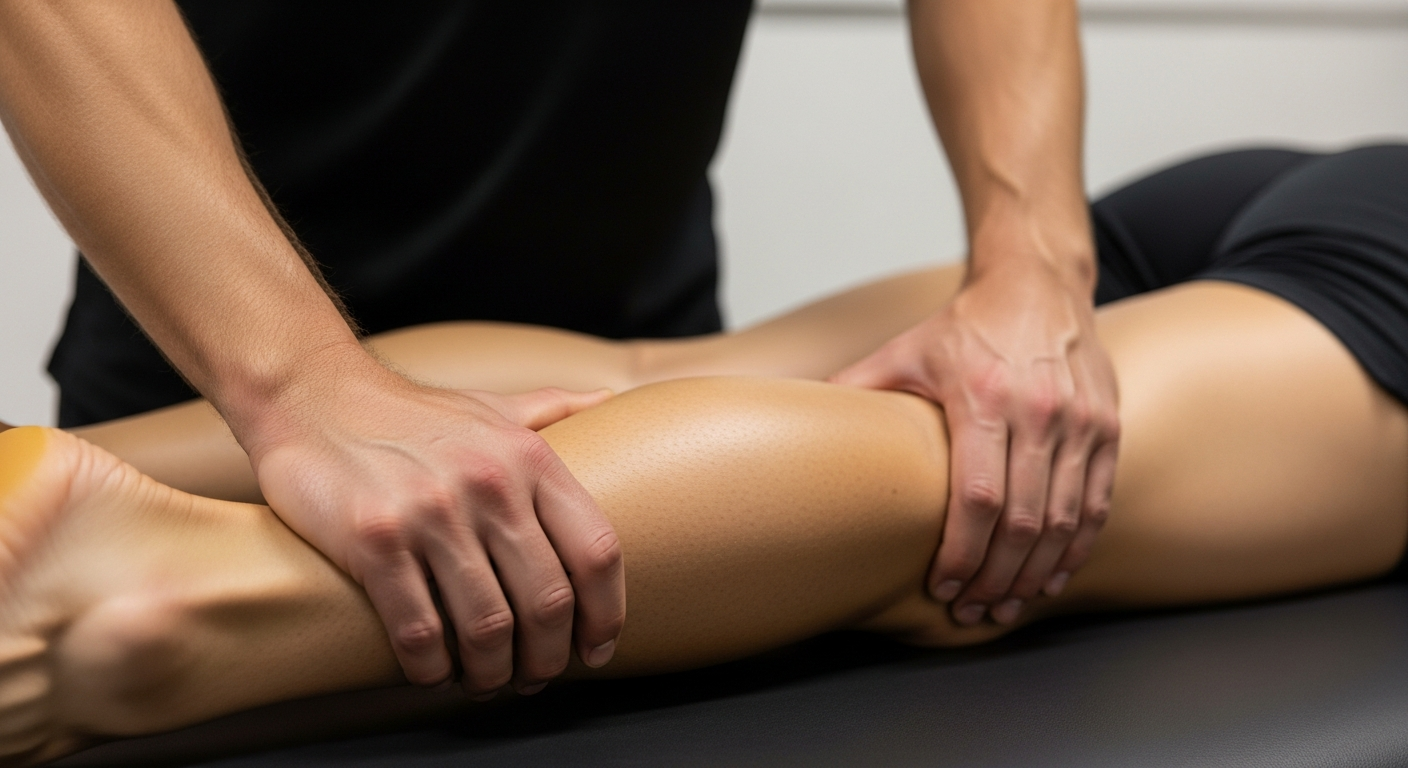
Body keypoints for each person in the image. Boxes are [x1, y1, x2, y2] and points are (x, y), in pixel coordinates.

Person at [0, 146, 1405, 765]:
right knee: (959, 499)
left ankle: (83, 508)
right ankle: (124, 606)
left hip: (1278, 191)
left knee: (664, 380)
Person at [0, 0, 1114, 694]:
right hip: (211, 349)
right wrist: (297, 380)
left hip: (632, 362)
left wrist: (1034, 261)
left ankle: (122, 637)